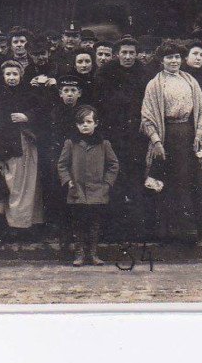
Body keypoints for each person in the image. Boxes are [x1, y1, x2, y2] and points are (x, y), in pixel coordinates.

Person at [141, 40, 202, 244]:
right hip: (166, 137)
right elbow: (147, 116)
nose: (174, 61)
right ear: (162, 60)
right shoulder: (155, 84)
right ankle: (167, 234)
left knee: (191, 183)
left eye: (177, 57)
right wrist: (156, 141)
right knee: (167, 185)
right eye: (169, 57)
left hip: (189, 136)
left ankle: (193, 234)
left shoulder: (190, 81)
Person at [0, 60, 44, 244]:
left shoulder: (29, 94)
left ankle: (23, 229)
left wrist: (27, 117)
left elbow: (43, 112)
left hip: (24, 147)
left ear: (21, 76)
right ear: (3, 76)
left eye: (15, 74)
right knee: (5, 189)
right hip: (4, 149)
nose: (11, 78)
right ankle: (4, 230)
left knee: (25, 188)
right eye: (8, 74)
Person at [95, 36, 149, 239]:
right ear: (117, 55)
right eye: (124, 53)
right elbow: (99, 105)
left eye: (131, 53)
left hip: (136, 136)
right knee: (113, 179)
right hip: (113, 134)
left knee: (135, 180)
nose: (127, 56)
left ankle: (137, 230)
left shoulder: (143, 74)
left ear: (137, 54)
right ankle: (112, 230)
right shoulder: (105, 74)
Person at [57, 104, 120, 266]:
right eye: (80, 123)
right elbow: (62, 164)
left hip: (97, 191)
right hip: (76, 190)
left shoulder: (104, 143)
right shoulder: (71, 143)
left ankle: (93, 254)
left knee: (94, 224)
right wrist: (68, 180)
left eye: (88, 121)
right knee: (78, 224)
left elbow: (113, 165)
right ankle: (79, 255)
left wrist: (106, 184)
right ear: (76, 125)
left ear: (96, 123)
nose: (84, 125)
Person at [47, 76, 86, 257]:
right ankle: (64, 238)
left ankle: (80, 239)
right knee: (61, 197)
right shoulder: (55, 112)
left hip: (80, 159)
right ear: (60, 94)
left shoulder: (84, 113)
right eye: (66, 91)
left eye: (73, 91)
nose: (69, 95)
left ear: (79, 93)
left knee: (79, 198)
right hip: (61, 159)